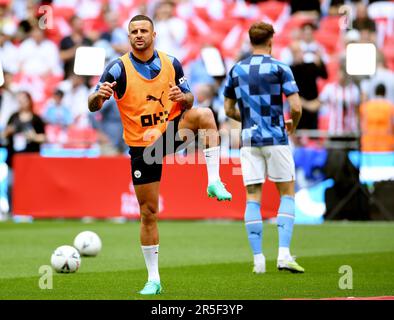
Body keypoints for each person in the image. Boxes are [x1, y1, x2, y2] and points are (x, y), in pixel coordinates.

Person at [88, 15, 231, 295]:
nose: (138, 35)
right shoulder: (117, 69)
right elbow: (93, 104)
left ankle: (214, 179)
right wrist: (98, 95)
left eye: (143, 30)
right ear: (129, 36)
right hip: (144, 148)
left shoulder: (171, 63)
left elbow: (190, 100)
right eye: (133, 32)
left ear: (154, 34)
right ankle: (154, 278)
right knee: (149, 213)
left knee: (204, 114)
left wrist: (183, 97)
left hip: (169, 132)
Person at [224, 22, 304, 274]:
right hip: (276, 138)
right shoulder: (281, 68)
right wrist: (291, 125)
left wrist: (248, 121)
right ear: (271, 40)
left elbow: (227, 110)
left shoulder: (236, 70)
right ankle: (283, 255)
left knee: (253, 198)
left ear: (250, 41)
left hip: (248, 141)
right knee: (287, 193)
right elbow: (297, 107)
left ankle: (258, 261)